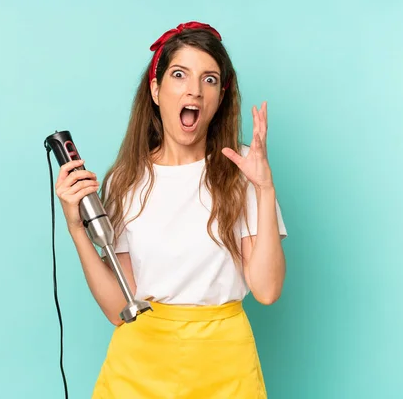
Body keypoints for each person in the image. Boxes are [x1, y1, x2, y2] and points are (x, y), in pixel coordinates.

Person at [55, 21, 288, 399]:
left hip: (225, 366)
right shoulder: (126, 180)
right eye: (179, 75)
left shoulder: (242, 169)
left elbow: (267, 289)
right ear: (156, 89)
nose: (194, 89)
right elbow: (119, 308)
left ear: (220, 96)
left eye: (209, 79)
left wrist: (263, 189)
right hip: (139, 367)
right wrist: (76, 228)